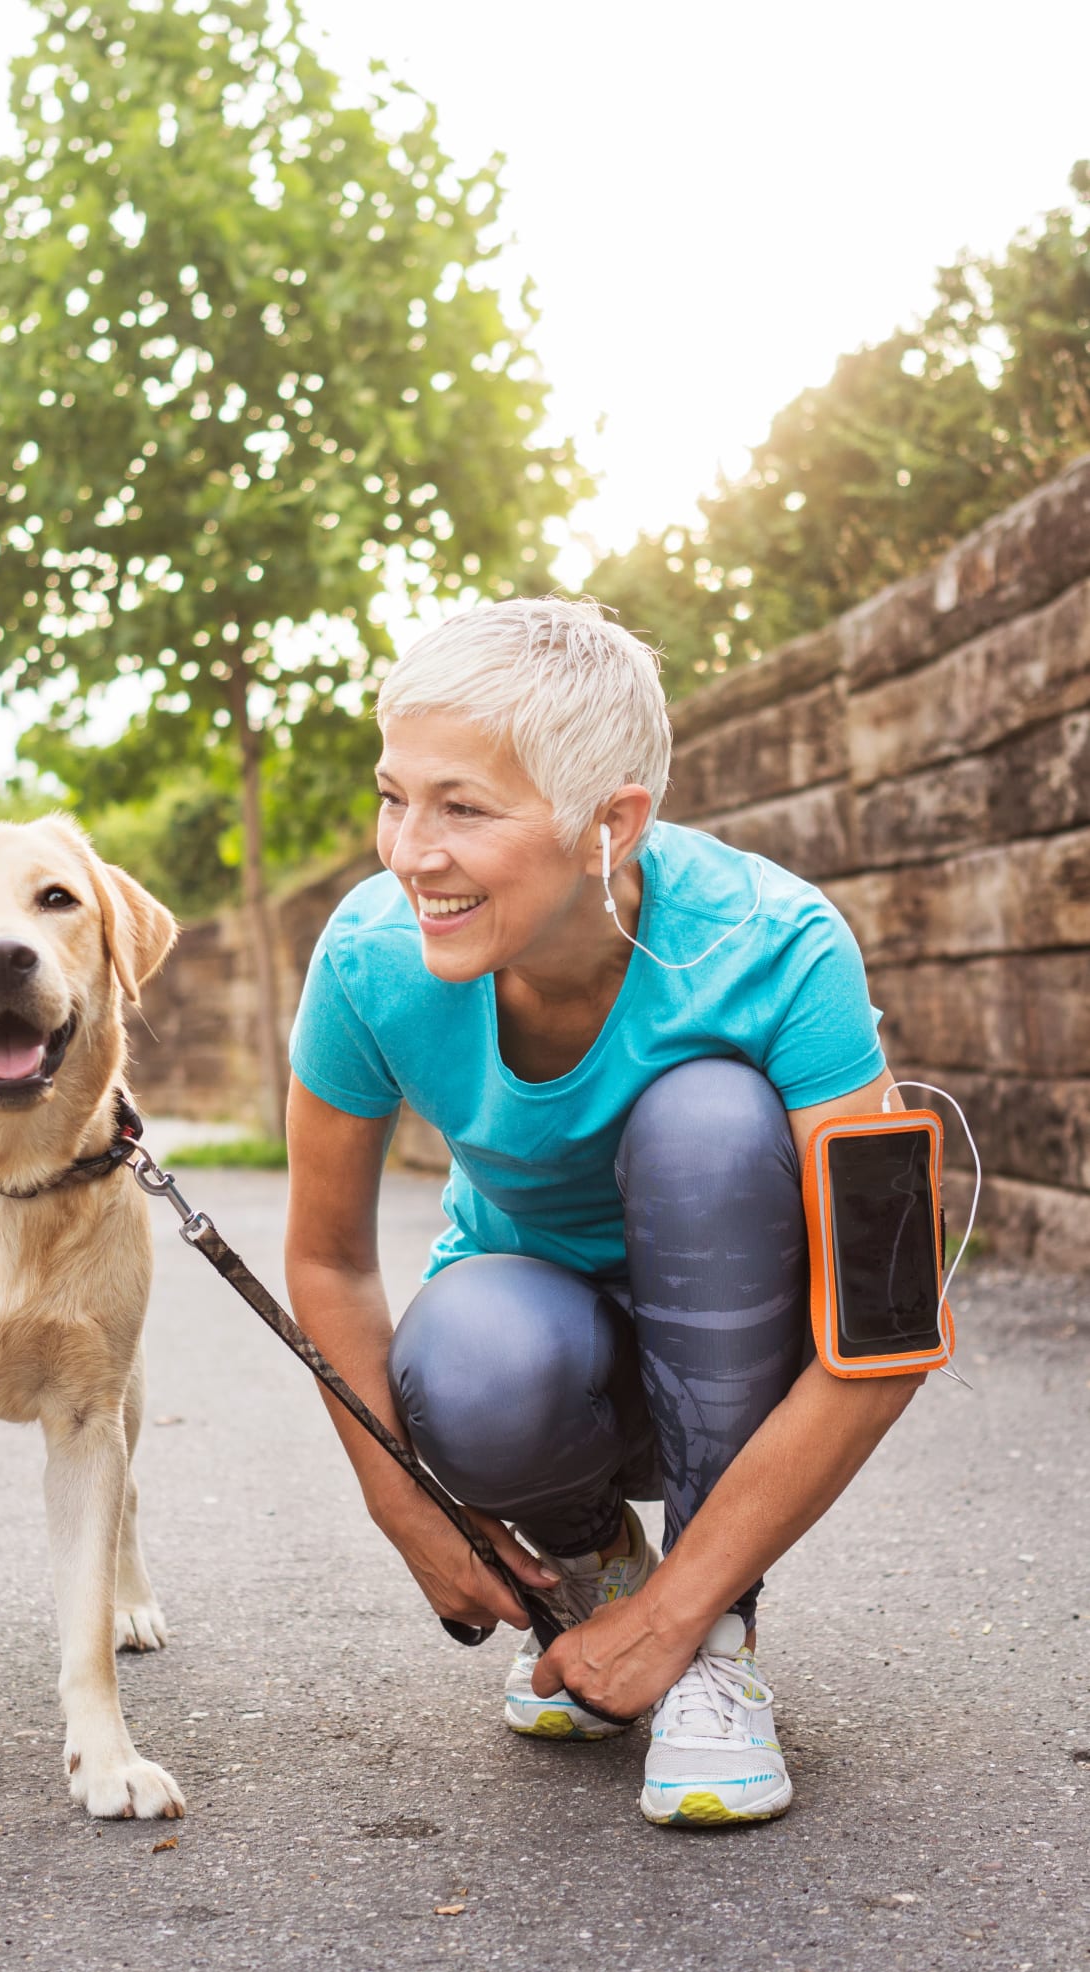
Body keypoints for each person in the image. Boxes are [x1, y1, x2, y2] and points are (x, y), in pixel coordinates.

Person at [283, 596, 921, 1828]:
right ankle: (591, 1565)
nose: (408, 850)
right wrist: (407, 1504)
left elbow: (887, 1325)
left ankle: (711, 1637)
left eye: (463, 806)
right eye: (394, 794)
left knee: (710, 1120)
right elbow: (324, 1257)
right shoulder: (369, 957)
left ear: (609, 823)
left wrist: (677, 1619)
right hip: (548, 1375)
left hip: (756, 1361)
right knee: (468, 1354)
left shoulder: (780, 945)